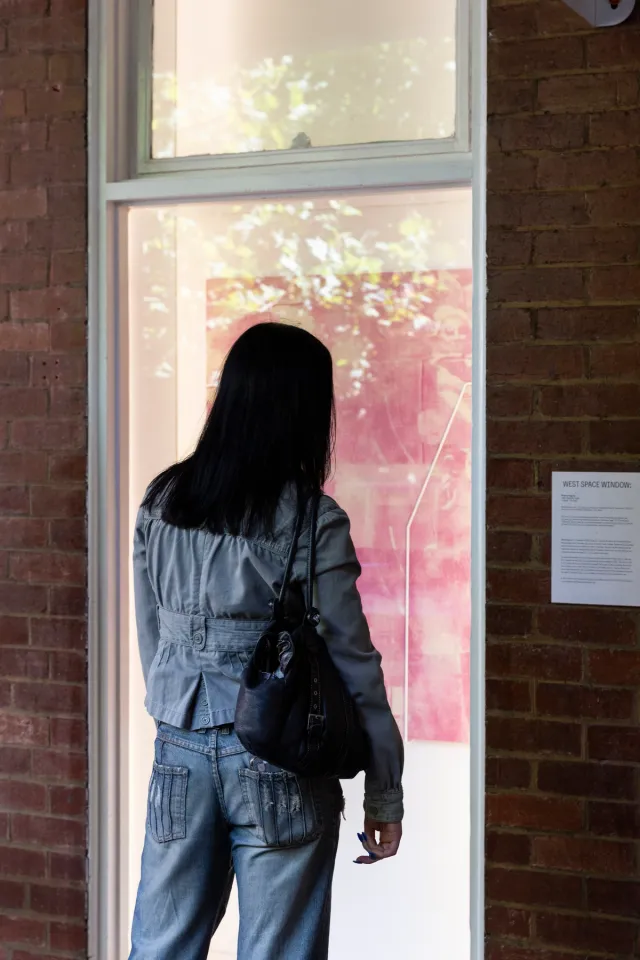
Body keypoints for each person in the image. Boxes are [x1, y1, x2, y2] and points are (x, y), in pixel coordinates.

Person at [129, 322, 404, 960]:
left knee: (161, 948)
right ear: (304, 410)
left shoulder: (163, 503)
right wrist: (384, 789)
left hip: (180, 751)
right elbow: (355, 665)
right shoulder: (311, 520)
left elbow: (154, 639)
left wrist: (180, 714)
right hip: (281, 758)